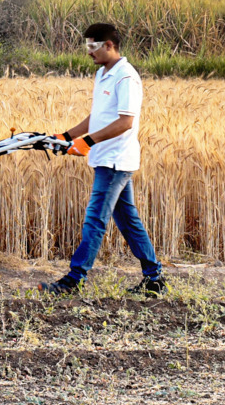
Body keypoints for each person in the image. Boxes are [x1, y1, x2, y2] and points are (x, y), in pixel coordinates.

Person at [43, 20, 166, 297]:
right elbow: (97, 116)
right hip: (104, 158)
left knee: (95, 220)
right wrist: (66, 136)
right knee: (128, 221)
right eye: (87, 47)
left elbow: (125, 122)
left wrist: (86, 142)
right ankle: (154, 278)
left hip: (115, 161)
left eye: (93, 47)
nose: (89, 52)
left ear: (109, 45)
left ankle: (74, 279)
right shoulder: (103, 73)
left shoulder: (126, 77)